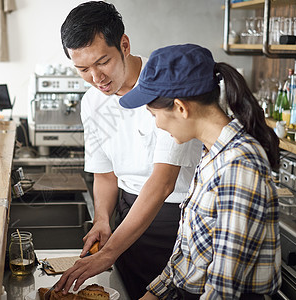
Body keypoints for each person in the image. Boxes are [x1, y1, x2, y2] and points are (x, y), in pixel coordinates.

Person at [56, 2, 202, 299]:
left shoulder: (167, 85)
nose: (96, 78)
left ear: (124, 44)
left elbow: (162, 183)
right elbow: (105, 174)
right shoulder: (92, 103)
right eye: (83, 69)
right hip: (126, 216)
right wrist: (102, 219)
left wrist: (109, 252)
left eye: (102, 62)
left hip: (174, 220)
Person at [120, 44, 281, 299]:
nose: (158, 125)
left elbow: (223, 290)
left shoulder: (239, 165)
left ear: (181, 108)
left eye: (154, 115)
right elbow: (190, 256)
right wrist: (153, 294)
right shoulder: (211, 153)